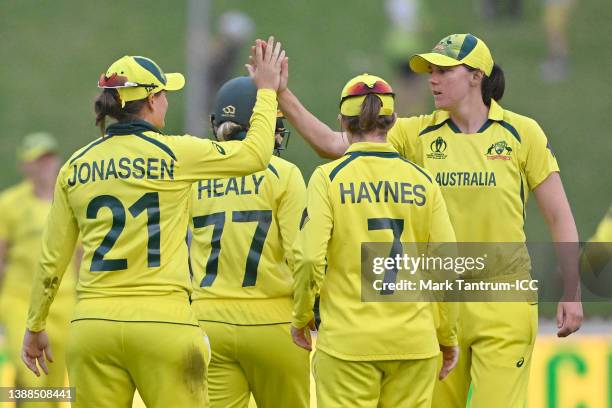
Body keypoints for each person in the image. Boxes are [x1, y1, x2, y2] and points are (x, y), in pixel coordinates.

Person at [270, 33, 583, 407]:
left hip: (503, 300)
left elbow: (558, 214)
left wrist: (572, 291)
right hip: (437, 306)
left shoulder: (522, 134)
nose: (432, 79)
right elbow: (335, 144)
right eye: (430, 71)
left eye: (443, 70)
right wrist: (281, 95)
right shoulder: (417, 131)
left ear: (476, 75)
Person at [21, 36, 285, 408]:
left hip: (93, 327)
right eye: (163, 93)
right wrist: (267, 92)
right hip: (165, 324)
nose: (166, 100)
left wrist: (35, 325)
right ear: (149, 101)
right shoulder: (177, 152)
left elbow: (52, 260)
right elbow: (257, 154)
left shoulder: (74, 167)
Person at [290, 73, 459, 407]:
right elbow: (447, 266)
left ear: (342, 121)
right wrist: (447, 335)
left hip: (347, 346)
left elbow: (310, 258)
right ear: (392, 121)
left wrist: (300, 316)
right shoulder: (423, 182)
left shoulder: (329, 178)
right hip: (414, 344)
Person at [189, 76, 309, 408]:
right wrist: (306, 312)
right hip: (273, 321)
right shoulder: (284, 174)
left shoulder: (195, 175)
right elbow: (303, 256)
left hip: (207, 320)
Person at [0, 133, 77, 408]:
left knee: (56, 381)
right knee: (31, 376)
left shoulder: (68, 201)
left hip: (64, 301)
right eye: (37, 160)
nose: (44, 165)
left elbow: (78, 254)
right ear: (25, 166)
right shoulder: (9, 204)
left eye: (48, 158)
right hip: (20, 298)